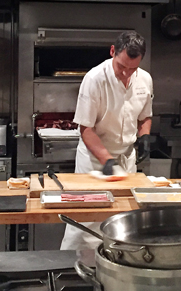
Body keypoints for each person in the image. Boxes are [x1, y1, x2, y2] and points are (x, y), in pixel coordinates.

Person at [60, 31, 153, 250]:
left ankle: (117, 267)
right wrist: (107, 160)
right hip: (94, 160)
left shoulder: (145, 79)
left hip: (127, 159)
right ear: (113, 51)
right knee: (87, 218)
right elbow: (85, 128)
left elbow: (145, 116)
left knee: (124, 217)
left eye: (133, 69)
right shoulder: (94, 79)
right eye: (122, 66)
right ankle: (72, 271)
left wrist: (145, 137)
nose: (126, 74)